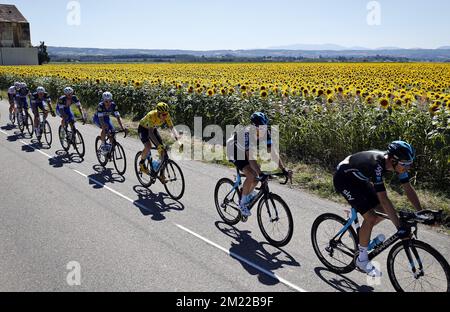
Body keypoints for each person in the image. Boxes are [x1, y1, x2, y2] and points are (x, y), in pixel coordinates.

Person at [333, 141, 423, 277]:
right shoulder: (377, 166)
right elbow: (384, 199)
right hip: (344, 178)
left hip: (359, 177)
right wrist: (399, 227)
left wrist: (421, 213)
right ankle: (362, 261)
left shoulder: (397, 165)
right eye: (405, 164)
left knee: (384, 211)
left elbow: (408, 189)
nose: (407, 167)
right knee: (371, 217)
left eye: (409, 163)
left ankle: (363, 235)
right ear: (393, 160)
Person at [226, 112, 292, 218]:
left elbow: (273, 153)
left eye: (264, 128)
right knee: (252, 174)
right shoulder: (247, 134)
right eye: (260, 128)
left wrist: (283, 169)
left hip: (244, 151)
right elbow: (251, 158)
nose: (262, 131)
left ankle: (245, 192)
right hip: (233, 150)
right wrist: (260, 173)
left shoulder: (266, 132)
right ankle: (242, 204)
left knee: (257, 176)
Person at [138, 102, 180, 182]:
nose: (165, 116)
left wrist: (177, 138)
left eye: (166, 114)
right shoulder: (151, 115)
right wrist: (158, 146)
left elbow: (171, 127)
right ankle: (142, 163)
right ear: (158, 113)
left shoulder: (166, 115)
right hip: (143, 129)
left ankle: (161, 175)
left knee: (163, 153)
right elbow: (150, 133)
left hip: (153, 129)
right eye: (163, 114)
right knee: (148, 146)